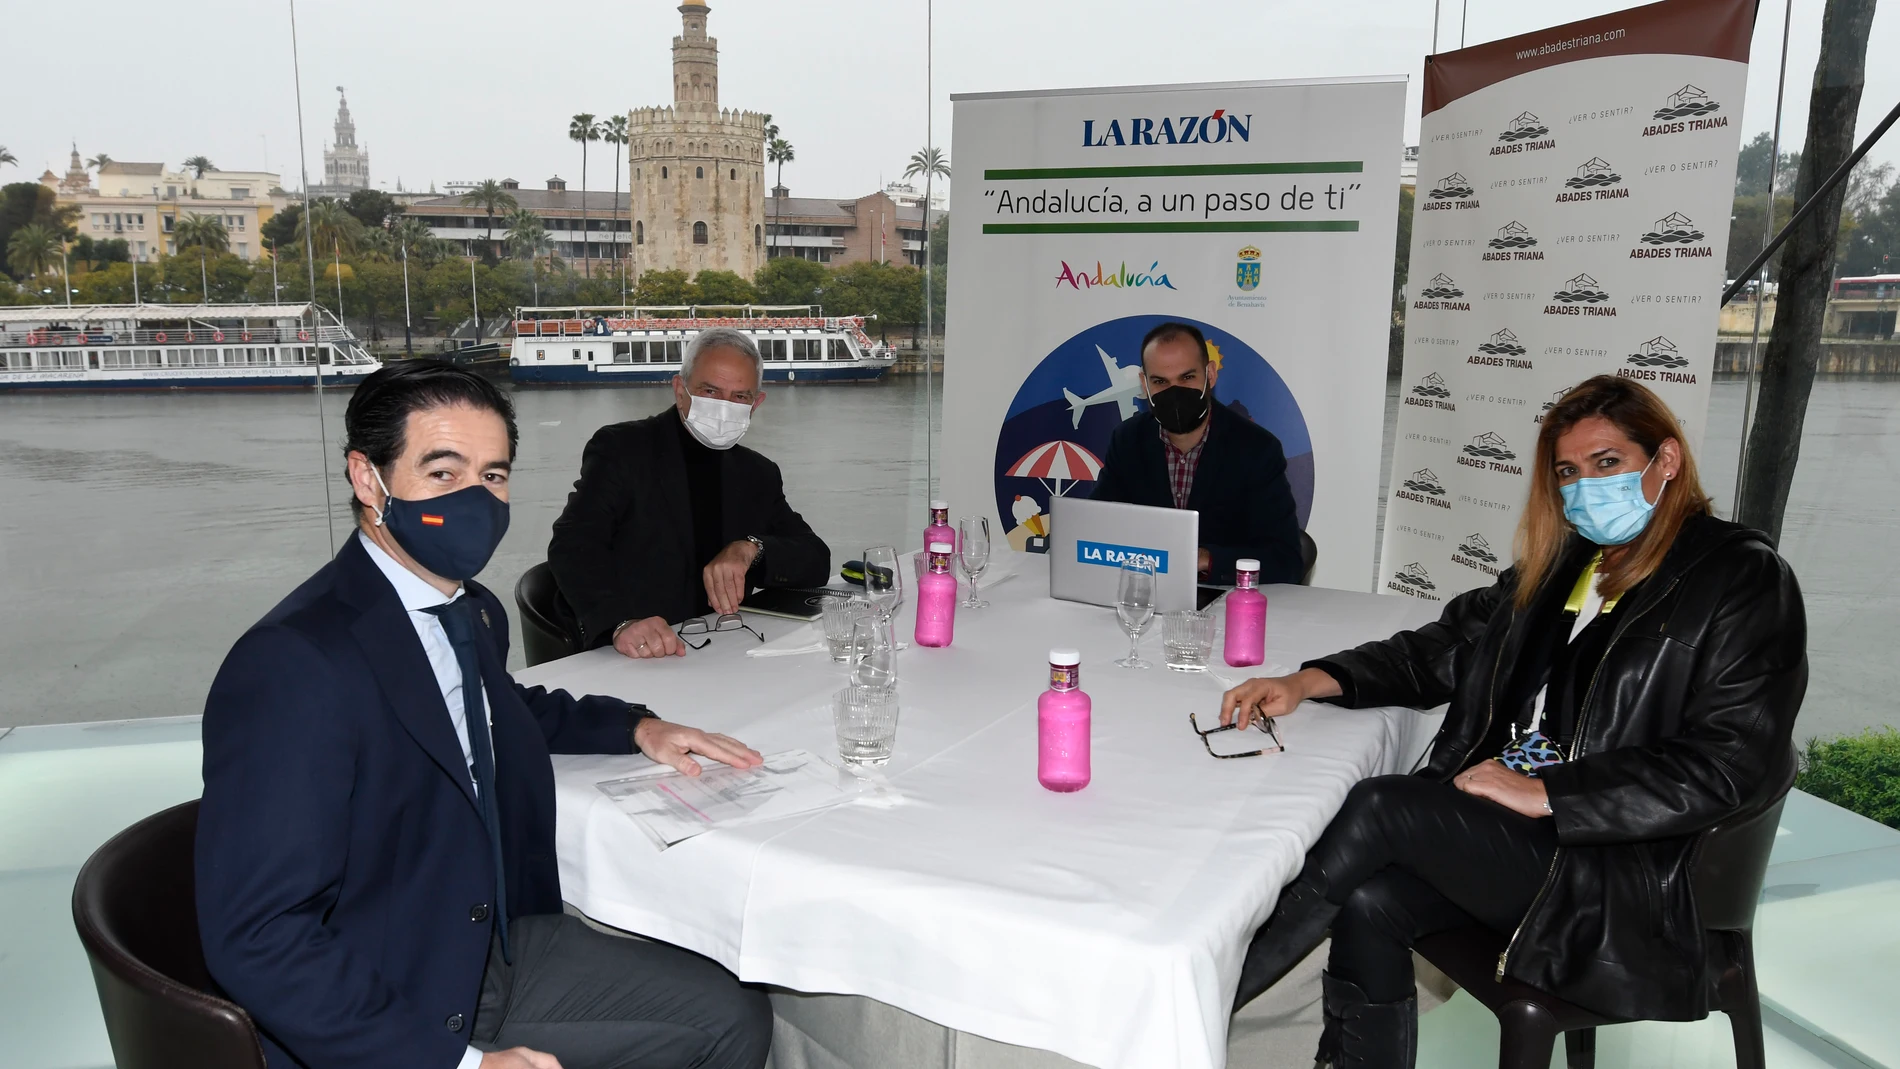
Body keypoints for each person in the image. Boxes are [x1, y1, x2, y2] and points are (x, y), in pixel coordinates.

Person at [196, 360, 774, 1069]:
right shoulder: (294, 664)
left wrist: (635, 726)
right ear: (366, 477)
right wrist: (458, 1064)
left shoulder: (469, 609)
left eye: (493, 475)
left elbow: (495, 706)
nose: (475, 497)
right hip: (391, 1001)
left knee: (735, 1010)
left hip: (483, 944)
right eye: (443, 473)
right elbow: (257, 933)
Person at [1218, 375, 1806, 1067]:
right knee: (1371, 897)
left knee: (1382, 806)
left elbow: (1731, 761)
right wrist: (1309, 678)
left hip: (1626, 869)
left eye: (1608, 462)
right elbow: (1440, 648)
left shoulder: (1741, 578)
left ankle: (1211, 993)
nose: (1586, 486)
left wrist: (1555, 792)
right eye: (1569, 471)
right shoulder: (1568, 564)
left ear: (1666, 461)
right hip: (1525, 838)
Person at [549, 327, 831, 659]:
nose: (724, 407)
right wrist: (621, 623)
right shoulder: (622, 449)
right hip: (633, 650)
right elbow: (573, 545)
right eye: (710, 391)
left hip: (723, 649)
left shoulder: (758, 473)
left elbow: (815, 559)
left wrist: (751, 549)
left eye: (740, 396)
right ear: (680, 390)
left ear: (756, 403)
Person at [1088, 321, 1304, 584]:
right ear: (1144, 385)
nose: (1174, 392)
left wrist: (1208, 560)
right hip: (1145, 595)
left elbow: (1285, 561)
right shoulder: (1128, 440)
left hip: (1223, 601)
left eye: (1187, 377)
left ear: (1210, 375)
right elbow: (1094, 527)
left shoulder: (1256, 449)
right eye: (1160, 381)